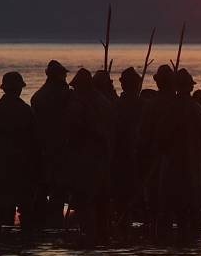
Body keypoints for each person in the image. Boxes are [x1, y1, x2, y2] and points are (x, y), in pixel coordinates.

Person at [0, 72, 39, 238]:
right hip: (22, 172)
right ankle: (22, 243)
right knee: (26, 212)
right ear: (19, 89)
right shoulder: (27, 112)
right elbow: (36, 145)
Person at [154, 68, 201, 240]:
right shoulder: (197, 110)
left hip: (174, 169)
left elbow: (161, 137)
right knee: (191, 212)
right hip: (191, 169)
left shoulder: (171, 109)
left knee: (169, 212)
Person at [65, 68, 114, 241]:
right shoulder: (105, 102)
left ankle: (89, 233)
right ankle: (101, 233)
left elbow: (73, 132)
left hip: (84, 161)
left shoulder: (78, 104)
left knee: (84, 200)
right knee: (101, 201)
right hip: (103, 160)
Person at [30, 60, 74, 228]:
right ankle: (54, 224)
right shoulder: (66, 96)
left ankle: (41, 224)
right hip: (60, 150)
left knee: (42, 189)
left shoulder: (38, 96)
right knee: (58, 190)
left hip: (41, 150)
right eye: (63, 75)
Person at [137, 64, 177, 235]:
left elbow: (143, 137)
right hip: (169, 162)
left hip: (160, 160)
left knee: (156, 203)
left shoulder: (152, 106)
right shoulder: (178, 105)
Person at [112, 67, 144, 232]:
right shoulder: (141, 106)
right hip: (132, 159)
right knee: (128, 197)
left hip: (119, 159)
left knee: (122, 199)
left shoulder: (115, 105)